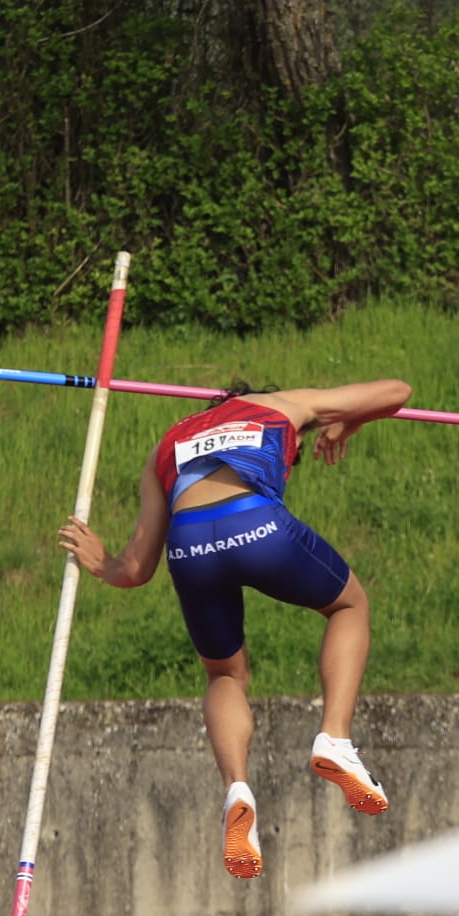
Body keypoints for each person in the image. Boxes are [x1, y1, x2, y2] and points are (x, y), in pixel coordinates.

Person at [57, 377, 413, 880]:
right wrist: (348, 420)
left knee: (225, 675)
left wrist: (102, 564)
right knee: (349, 607)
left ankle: (237, 790)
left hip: (190, 546)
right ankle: (333, 737)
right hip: (257, 524)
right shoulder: (283, 403)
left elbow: (135, 570)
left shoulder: (168, 444)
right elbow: (397, 391)